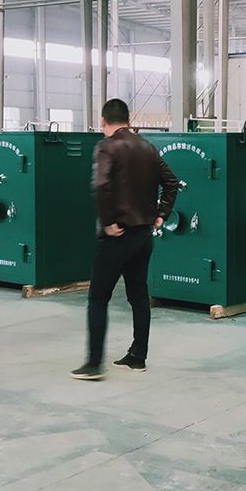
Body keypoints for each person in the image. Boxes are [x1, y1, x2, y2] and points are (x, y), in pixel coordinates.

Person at [71, 99, 179, 381]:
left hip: (118, 235)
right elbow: (171, 182)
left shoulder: (107, 146)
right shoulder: (147, 147)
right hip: (143, 235)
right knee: (139, 296)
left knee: (98, 297)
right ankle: (137, 356)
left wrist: (108, 222)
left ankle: (94, 363)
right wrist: (161, 214)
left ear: (103, 121)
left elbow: (101, 185)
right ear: (128, 120)